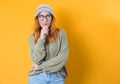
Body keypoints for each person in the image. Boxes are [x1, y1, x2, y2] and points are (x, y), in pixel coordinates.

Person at [28, 4, 69, 84]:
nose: (45, 20)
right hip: (37, 77)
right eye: (41, 16)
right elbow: (36, 59)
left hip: (57, 76)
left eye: (48, 16)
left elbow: (62, 57)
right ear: (37, 19)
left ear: (52, 18)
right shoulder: (32, 37)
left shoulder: (61, 34)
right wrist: (42, 38)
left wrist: (40, 66)